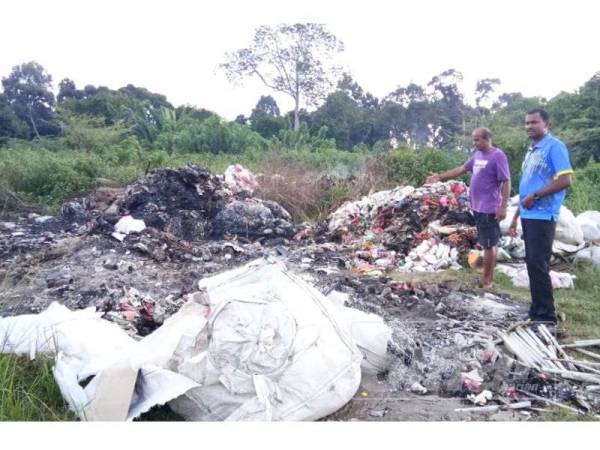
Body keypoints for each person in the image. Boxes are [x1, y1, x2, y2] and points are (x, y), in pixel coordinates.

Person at [509, 109, 573, 326]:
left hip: (543, 215)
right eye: (526, 123)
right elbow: (527, 187)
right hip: (529, 214)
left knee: (539, 264)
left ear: (546, 123)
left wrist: (536, 196)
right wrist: (517, 215)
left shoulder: (554, 147)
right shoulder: (532, 149)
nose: (529, 126)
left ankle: (546, 316)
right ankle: (536, 309)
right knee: (532, 263)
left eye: (534, 122)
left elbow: (565, 181)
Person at [426, 127, 511, 289]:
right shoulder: (477, 155)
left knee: (489, 244)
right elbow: (461, 169)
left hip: (489, 207)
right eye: (474, 139)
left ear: (487, 139)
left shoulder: (497, 156)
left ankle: (487, 281)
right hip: (477, 207)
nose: (474, 143)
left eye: (477, 139)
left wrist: (503, 206)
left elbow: (506, 181)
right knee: (486, 243)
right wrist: (439, 177)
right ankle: (486, 278)